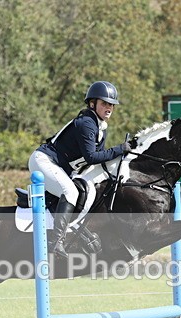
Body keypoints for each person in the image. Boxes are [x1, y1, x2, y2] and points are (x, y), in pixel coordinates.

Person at [28, 81, 137, 258]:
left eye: (111, 105)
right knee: (70, 192)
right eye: (104, 103)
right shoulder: (87, 123)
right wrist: (119, 149)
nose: (109, 108)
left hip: (62, 167)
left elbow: (99, 159)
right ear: (92, 104)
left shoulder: (100, 127)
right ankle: (55, 242)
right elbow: (92, 157)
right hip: (44, 161)